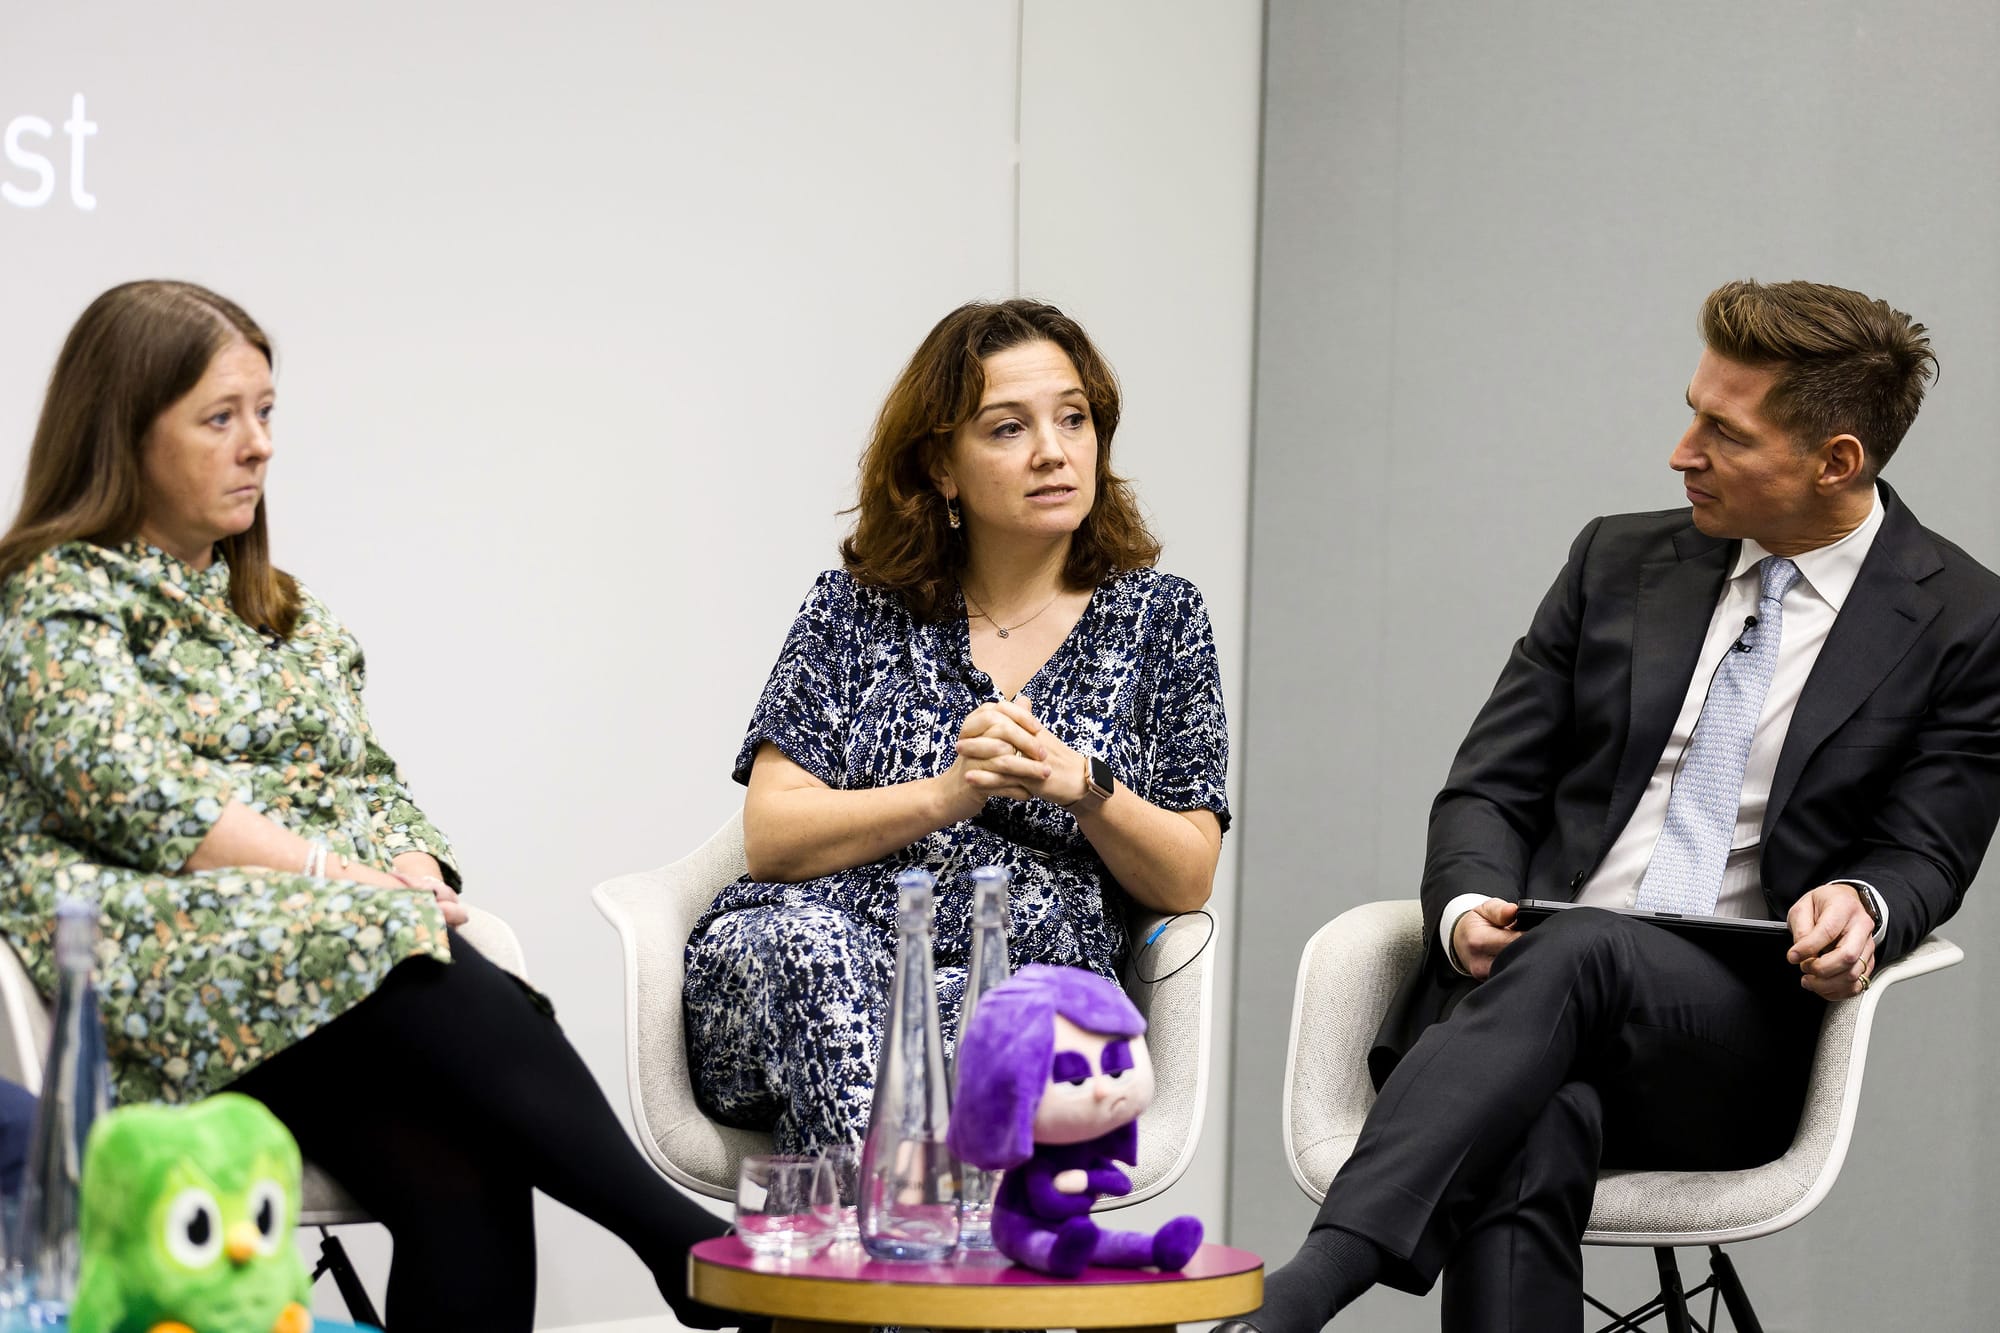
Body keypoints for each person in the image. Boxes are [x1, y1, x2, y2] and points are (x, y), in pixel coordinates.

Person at [1226, 279, 2000, 1333]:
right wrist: (1462, 914)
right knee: (1538, 1117)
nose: (1679, 451)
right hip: (1511, 1016)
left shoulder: (1962, 620)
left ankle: (1306, 1291)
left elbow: (1923, 847)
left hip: (1724, 1033)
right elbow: (1487, 786)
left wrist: (1862, 904)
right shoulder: (1614, 560)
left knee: (1588, 950)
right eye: (1689, 411)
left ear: (1835, 462)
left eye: (1719, 432)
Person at [0, 280, 749, 1332]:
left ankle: (684, 1251)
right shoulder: (56, 593)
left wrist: (410, 866)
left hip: (304, 985)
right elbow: (128, 788)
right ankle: (676, 1241)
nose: (257, 445)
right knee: (387, 937)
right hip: (144, 949)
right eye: (221, 417)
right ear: (124, 430)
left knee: (463, 1156)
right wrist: (337, 879)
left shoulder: (283, 612)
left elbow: (366, 780)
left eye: (266, 412)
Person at [683, 298, 1230, 1153]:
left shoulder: (1160, 619)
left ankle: (866, 1262)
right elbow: (773, 837)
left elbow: (1188, 875)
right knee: (820, 960)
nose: (1053, 450)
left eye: (1074, 419)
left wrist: (1081, 786)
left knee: (976, 1037)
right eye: (1008, 428)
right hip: (798, 969)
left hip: (1016, 988)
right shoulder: (856, 610)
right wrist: (947, 793)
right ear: (942, 466)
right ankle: (912, 1258)